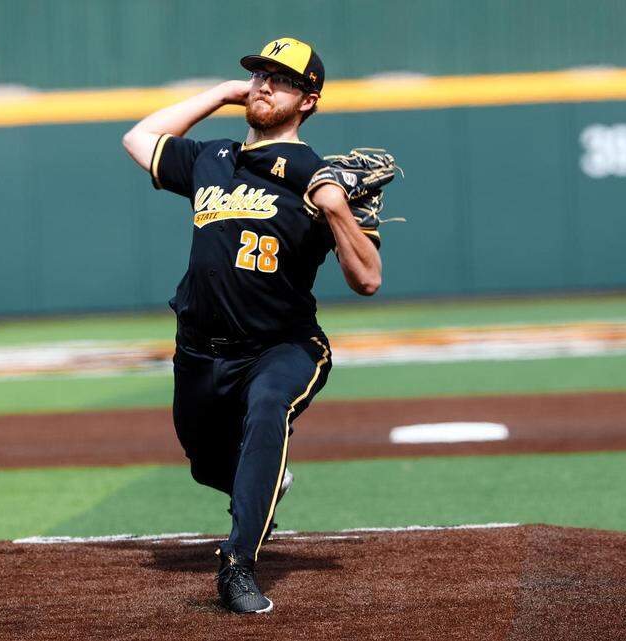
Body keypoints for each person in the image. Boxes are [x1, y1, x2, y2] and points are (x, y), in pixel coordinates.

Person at [122, 37, 384, 614]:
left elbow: (367, 279)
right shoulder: (213, 158)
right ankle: (267, 481)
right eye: (260, 75)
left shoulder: (322, 175)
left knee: (268, 408)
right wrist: (221, 94)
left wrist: (337, 207)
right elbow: (138, 139)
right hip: (199, 350)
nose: (265, 85)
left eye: (282, 79)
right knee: (204, 464)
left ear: (308, 100)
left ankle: (238, 564)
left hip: (281, 346)